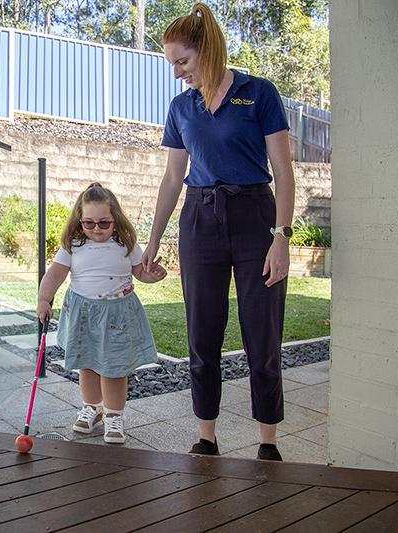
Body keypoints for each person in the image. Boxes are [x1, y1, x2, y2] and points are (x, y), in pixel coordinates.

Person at [141, 2, 296, 461]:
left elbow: (283, 171)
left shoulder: (258, 93)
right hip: (200, 220)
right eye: (171, 63)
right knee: (202, 333)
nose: (176, 73)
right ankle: (205, 435)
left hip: (254, 217)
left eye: (182, 62)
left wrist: (281, 237)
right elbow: (173, 179)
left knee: (262, 333)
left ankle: (268, 442)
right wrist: (152, 243)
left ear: (207, 51)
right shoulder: (181, 107)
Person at [37, 183, 167, 444]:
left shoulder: (126, 244)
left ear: (116, 219)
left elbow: (140, 273)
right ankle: (92, 407)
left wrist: (151, 276)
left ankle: (114, 415)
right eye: (89, 223)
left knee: (114, 369)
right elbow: (55, 274)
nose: (96, 229)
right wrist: (43, 298)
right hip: (83, 313)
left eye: (104, 223)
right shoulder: (73, 245)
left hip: (117, 315)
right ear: (79, 220)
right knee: (87, 364)